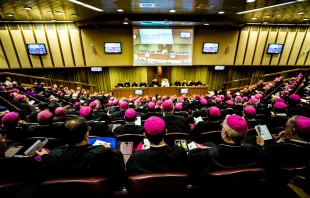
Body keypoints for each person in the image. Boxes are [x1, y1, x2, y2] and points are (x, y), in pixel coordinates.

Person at [37, 116, 125, 186]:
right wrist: (107, 149)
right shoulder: (105, 153)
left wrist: (45, 156)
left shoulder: (53, 155)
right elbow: (119, 177)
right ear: (86, 135)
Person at [189, 115, 259, 185]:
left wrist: (208, 151)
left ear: (225, 133)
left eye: (222, 126)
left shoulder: (208, 154)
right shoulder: (253, 150)